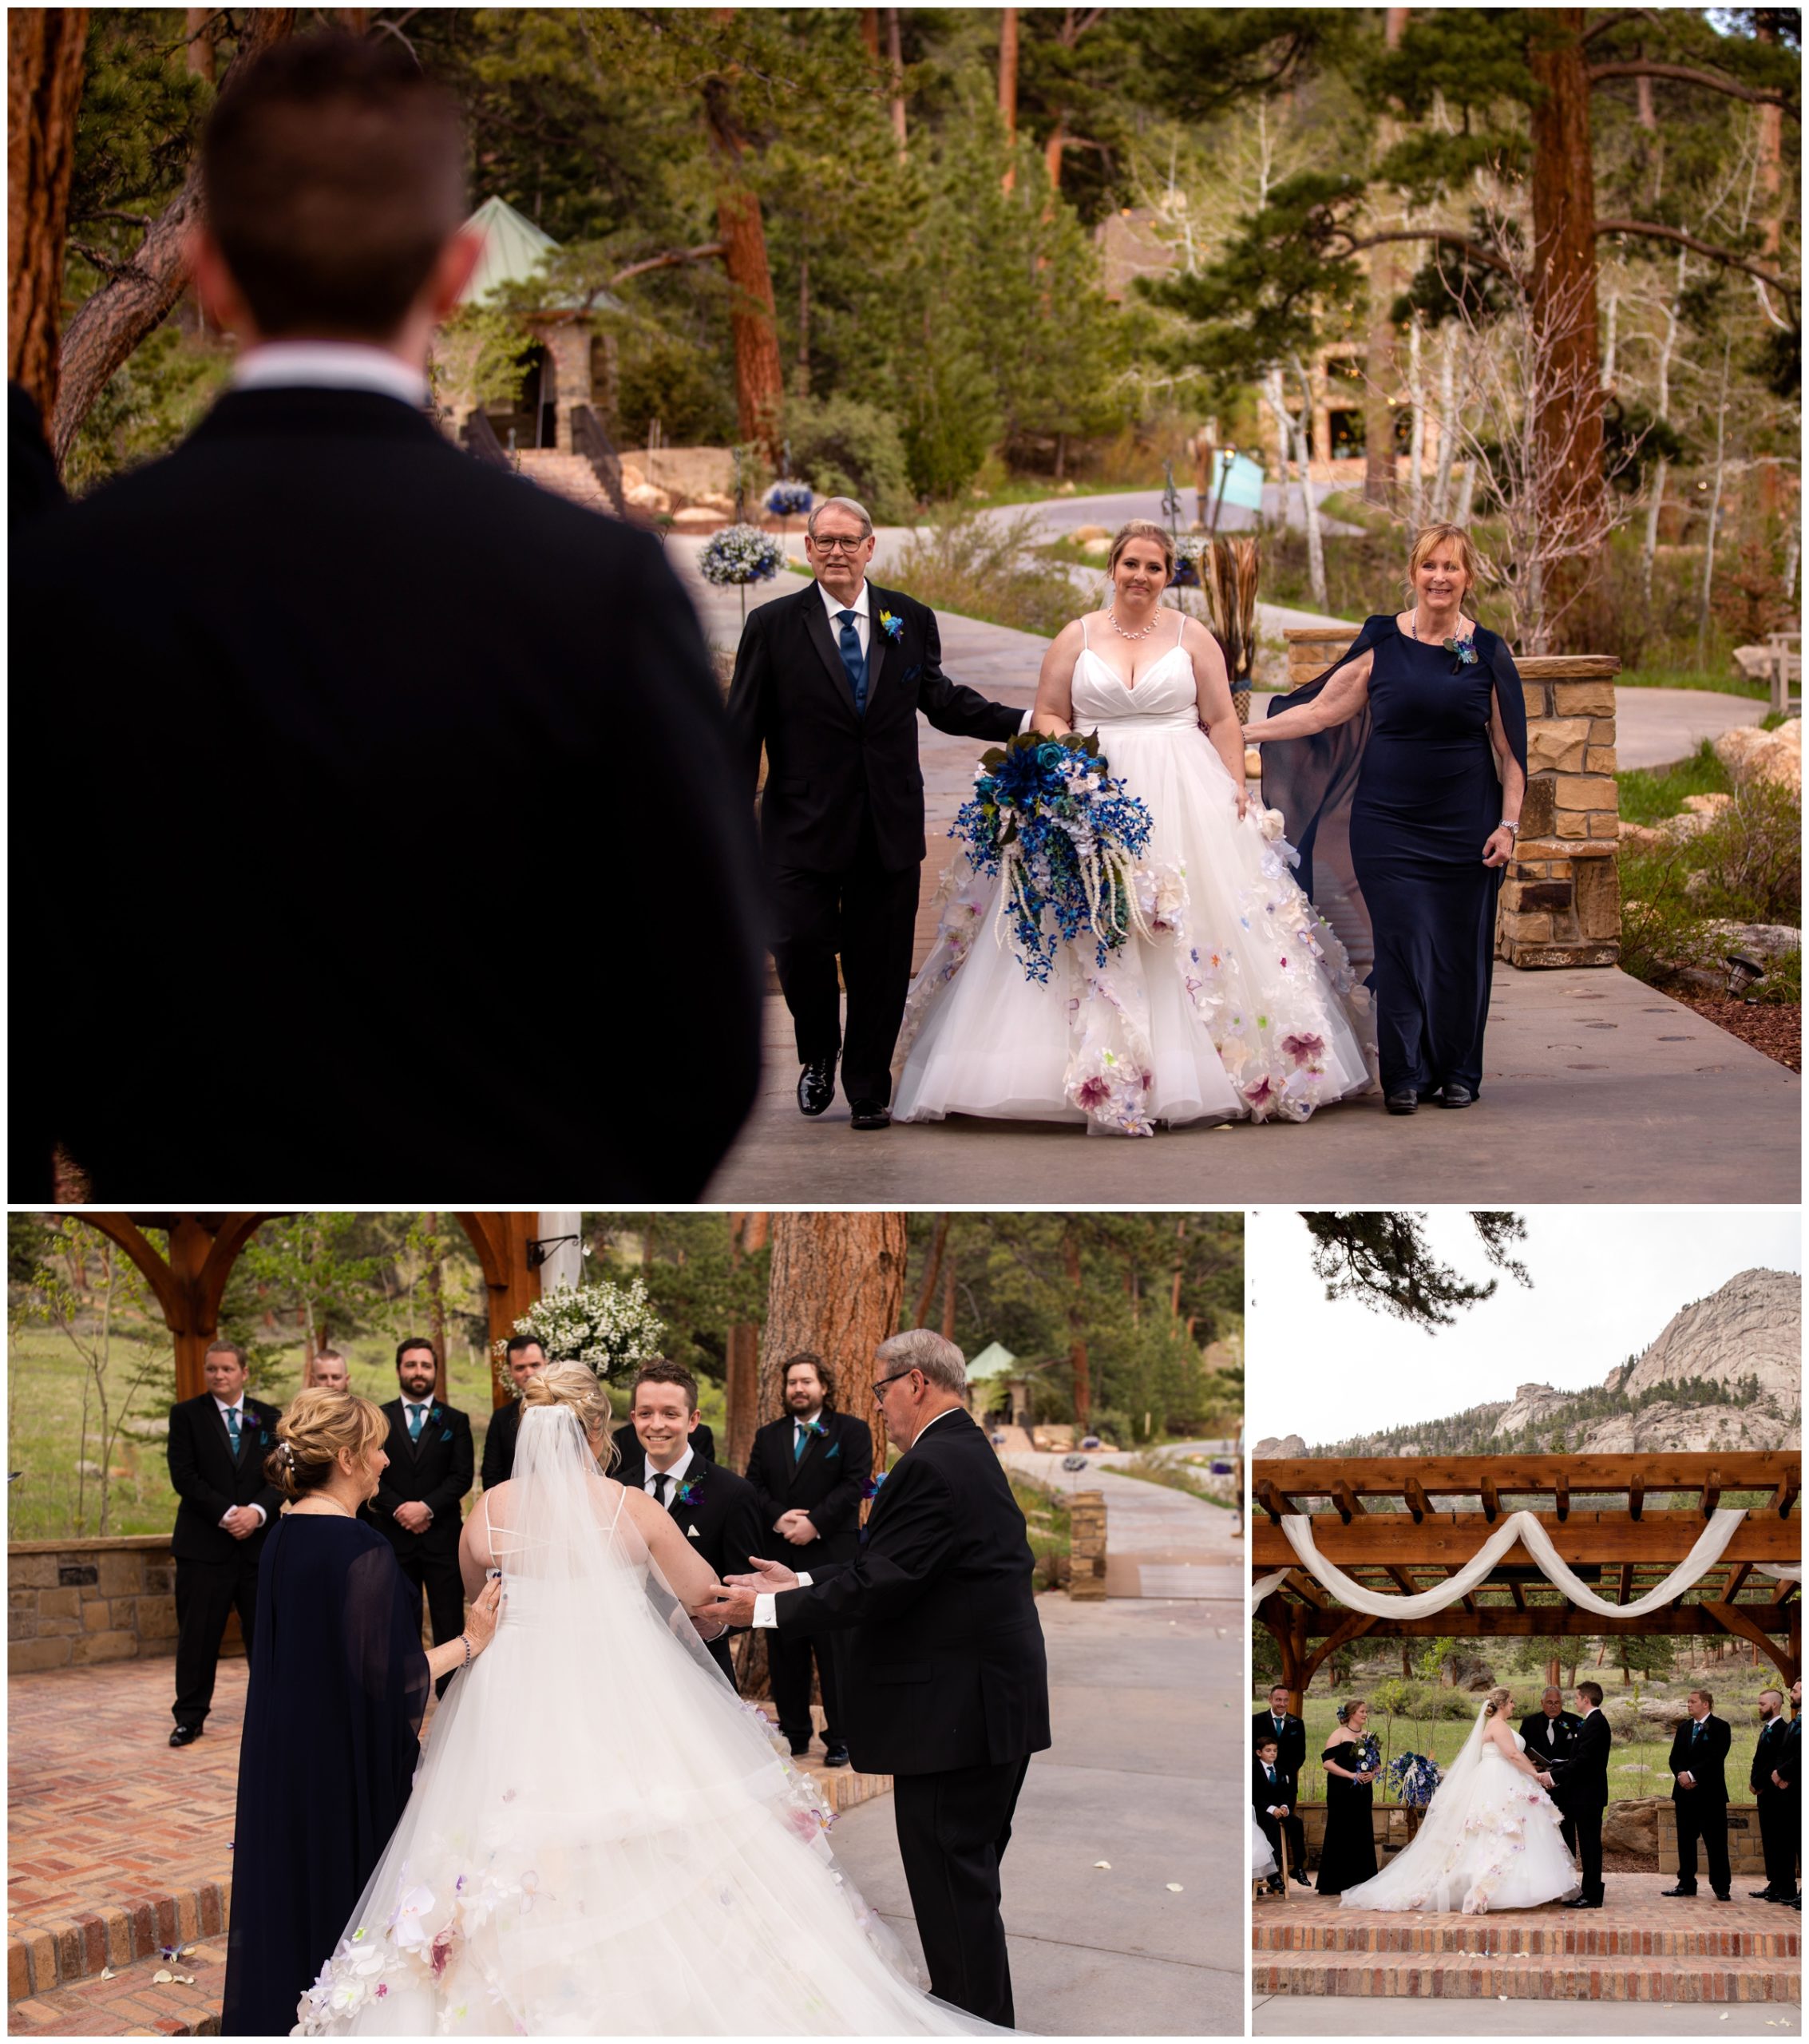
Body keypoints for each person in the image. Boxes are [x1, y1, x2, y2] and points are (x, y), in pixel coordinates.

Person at [9, 30, 762, 1203]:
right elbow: (704, 1030)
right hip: (514, 1163)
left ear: (205, 274)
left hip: (180, 1167)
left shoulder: (68, 586)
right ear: (455, 274)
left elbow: (36, 985)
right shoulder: (598, 587)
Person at [295, 1362, 1004, 2035]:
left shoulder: (489, 1512)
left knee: (489, 1842)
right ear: (600, 1433)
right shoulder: (629, 1509)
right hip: (616, 1693)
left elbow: (476, 1593)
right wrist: (714, 1602)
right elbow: (703, 1596)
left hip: (507, 1697)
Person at [894, 522, 1371, 1134]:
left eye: (1154, 566)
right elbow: (1050, 710)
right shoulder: (1076, 635)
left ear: (1169, 574)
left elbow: (1222, 718)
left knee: (1189, 924)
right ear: (1113, 568)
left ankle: (1212, 1068)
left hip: (1184, 793)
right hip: (1098, 793)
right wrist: (1062, 773)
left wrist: (1235, 792)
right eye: (1131, 564)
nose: (1141, 576)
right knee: (1095, 921)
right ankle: (1073, 1071)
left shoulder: (1194, 637)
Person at [708, 1330, 1051, 2027]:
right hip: (988, 1712)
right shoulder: (963, 1451)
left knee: (953, 1891)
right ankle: (976, 2016)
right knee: (966, 1890)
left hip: (957, 1722)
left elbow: (883, 1584)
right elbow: (898, 1567)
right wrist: (799, 1577)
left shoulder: (932, 1466)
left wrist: (766, 1607)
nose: (879, 1407)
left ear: (916, 1383)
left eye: (880, 1390)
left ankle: (974, 2026)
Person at [725, 495, 1027, 1132]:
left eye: (848, 540)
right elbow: (742, 729)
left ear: (870, 548)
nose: (837, 551)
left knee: (881, 961)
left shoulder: (908, 618)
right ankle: (818, 1053)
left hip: (886, 824)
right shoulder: (773, 626)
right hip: (798, 827)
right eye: (824, 541)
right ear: (807, 550)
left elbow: (942, 702)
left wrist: (1025, 722)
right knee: (797, 945)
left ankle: (867, 1086)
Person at [220, 1388, 501, 2036]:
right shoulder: (360, 1551)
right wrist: (471, 1642)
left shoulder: (282, 1536)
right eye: (375, 1449)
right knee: (348, 1907)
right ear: (346, 1458)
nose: (384, 1462)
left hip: (284, 1754)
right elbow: (392, 1680)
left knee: (294, 1895)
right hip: (341, 1766)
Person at [1250, 525, 1528, 1114]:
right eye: (1430, 566)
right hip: (1389, 826)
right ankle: (1404, 1075)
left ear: (1468, 578)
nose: (1440, 578)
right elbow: (1322, 712)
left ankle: (1457, 1071)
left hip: (1467, 827)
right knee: (1399, 945)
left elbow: (1511, 753)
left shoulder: (1489, 651)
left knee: (1459, 950)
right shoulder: (1383, 643)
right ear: (1413, 573)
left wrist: (1509, 827)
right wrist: (1242, 731)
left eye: (1451, 567)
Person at [1339, 1688, 1577, 1915]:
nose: (1515, 1705)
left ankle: (1522, 1885)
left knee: (1500, 1833)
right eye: (1512, 1701)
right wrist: (1535, 1775)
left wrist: (1530, 1771)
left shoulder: (1495, 1725)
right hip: (1499, 1781)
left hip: (1502, 1777)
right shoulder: (1499, 1726)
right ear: (1503, 1704)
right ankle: (1494, 1888)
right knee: (1498, 1833)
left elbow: (1515, 1756)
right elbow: (1513, 1755)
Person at [745, 1352, 873, 1765]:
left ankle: (842, 1738)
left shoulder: (851, 1431)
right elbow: (754, 1487)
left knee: (836, 1651)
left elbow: (855, 1483)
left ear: (824, 1387)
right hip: (780, 1553)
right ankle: (795, 1733)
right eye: (792, 1383)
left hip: (833, 1555)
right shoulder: (769, 1435)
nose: (798, 1389)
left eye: (806, 1382)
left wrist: (814, 1523)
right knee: (786, 1650)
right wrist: (779, 1519)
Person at [614, 1360, 762, 1689]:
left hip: (700, 1666)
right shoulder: (616, 1491)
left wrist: (719, 1625)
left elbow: (748, 1586)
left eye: (670, 1414)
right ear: (634, 1418)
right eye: (646, 1413)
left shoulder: (733, 1493)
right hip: (626, 1666)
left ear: (693, 1420)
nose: (657, 1425)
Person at [165, 1341, 283, 1748]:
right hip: (204, 1547)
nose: (219, 1375)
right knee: (197, 1637)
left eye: (227, 1369)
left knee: (265, 1635)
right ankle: (189, 1717)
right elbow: (183, 1475)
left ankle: (273, 1714)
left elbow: (280, 1475)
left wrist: (257, 1512)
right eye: (212, 1369)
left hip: (258, 1547)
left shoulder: (267, 1416)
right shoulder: (186, 1416)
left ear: (244, 1372)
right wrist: (227, 1513)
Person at [362, 1337, 473, 1697]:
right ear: (399, 1370)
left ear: (435, 1372)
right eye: (411, 1365)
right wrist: (399, 1508)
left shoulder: (455, 1420)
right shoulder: (378, 1418)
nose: (419, 1372)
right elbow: (370, 1470)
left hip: (441, 1537)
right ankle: (405, 1692)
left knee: (449, 1619)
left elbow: (461, 1476)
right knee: (398, 1621)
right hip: (393, 1538)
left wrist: (425, 1507)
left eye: (425, 1365)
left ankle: (451, 1694)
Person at [1540, 1680, 1610, 1909]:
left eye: (1577, 1697)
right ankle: (1589, 1891)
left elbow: (1584, 1762)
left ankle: (1592, 1896)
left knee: (1590, 1845)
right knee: (1588, 1844)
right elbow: (1580, 1758)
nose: (1575, 1701)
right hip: (1583, 1793)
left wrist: (1554, 1776)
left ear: (1586, 1699)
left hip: (1589, 1795)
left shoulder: (1596, 1723)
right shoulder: (1591, 1722)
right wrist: (1561, 1764)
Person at [1664, 1687, 1732, 1901]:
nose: (1689, 1704)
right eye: (1688, 1701)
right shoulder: (1684, 1727)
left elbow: (1716, 1757)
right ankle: (1686, 1883)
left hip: (1710, 1795)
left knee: (1716, 1842)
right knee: (1685, 1841)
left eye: (1693, 1701)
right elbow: (1674, 1758)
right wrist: (1681, 1776)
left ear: (1706, 1704)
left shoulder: (1721, 1727)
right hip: (1684, 1795)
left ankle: (1721, 1886)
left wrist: (1692, 1775)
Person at [1314, 1698, 1380, 1897]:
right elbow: (1327, 1763)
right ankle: (1335, 1881)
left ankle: (1362, 1879)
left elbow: (1377, 1764)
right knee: (1340, 1830)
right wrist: (1351, 1775)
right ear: (1352, 1714)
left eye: (1366, 1711)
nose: (1365, 1715)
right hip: (1341, 1790)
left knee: (1362, 1831)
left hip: (1362, 1791)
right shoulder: (1339, 1734)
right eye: (1362, 1711)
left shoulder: (1369, 1736)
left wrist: (1373, 1774)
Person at [1519, 1685, 1582, 1852]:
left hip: (1566, 1784)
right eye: (1549, 1703)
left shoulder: (1575, 1722)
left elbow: (1581, 1752)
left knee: (1566, 1825)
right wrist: (1530, 1764)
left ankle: (1569, 1868)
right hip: (1538, 1782)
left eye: (1557, 1702)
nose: (1553, 1706)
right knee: (1539, 1826)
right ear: (1542, 1703)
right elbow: (1521, 1751)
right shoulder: (1529, 1722)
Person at [480, 1334, 544, 1490]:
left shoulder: (568, 1410)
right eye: (520, 1367)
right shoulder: (501, 1417)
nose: (528, 1372)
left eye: (535, 1365)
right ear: (510, 1371)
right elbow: (491, 1474)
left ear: (546, 1363)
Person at [1751, 1688, 1797, 1903]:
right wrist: (1753, 1782)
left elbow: (1774, 1762)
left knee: (1781, 1841)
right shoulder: (1766, 1729)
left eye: (1762, 1704)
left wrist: (1760, 1782)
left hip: (1776, 1793)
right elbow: (1758, 1759)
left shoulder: (1783, 1729)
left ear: (1774, 1705)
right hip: (1764, 1792)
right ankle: (1775, 1883)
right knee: (1769, 1840)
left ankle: (1785, 1887)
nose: (1759, 1707)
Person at [1252, 1735, 1298, 1895]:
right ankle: (1273, 1873)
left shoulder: (1281, 1770)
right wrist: (1271, 1809)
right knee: (1272, 1827)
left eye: (1275, 1751)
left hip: (1279, 1810)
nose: (1272, 1753)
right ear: (1259, 1753)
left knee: (1296, 1823)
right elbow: (1254, 1796)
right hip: (1261, 1811)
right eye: (1268, 1751)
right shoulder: (1254, 1770)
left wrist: (1285, 1806)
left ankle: (1298, 1865)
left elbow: (1287, 1793)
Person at [1254, 1683, 1308, 1787]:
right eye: (1278, 1700)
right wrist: (1263, 1772)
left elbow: (1300, 1754)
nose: (1282, 1704)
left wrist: (1284, 1774)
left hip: (1287, 1783)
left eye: (1286, 1700)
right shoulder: (1255, 1721)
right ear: (1270, 1699)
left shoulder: (1297, 1723)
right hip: (1260, 1782)